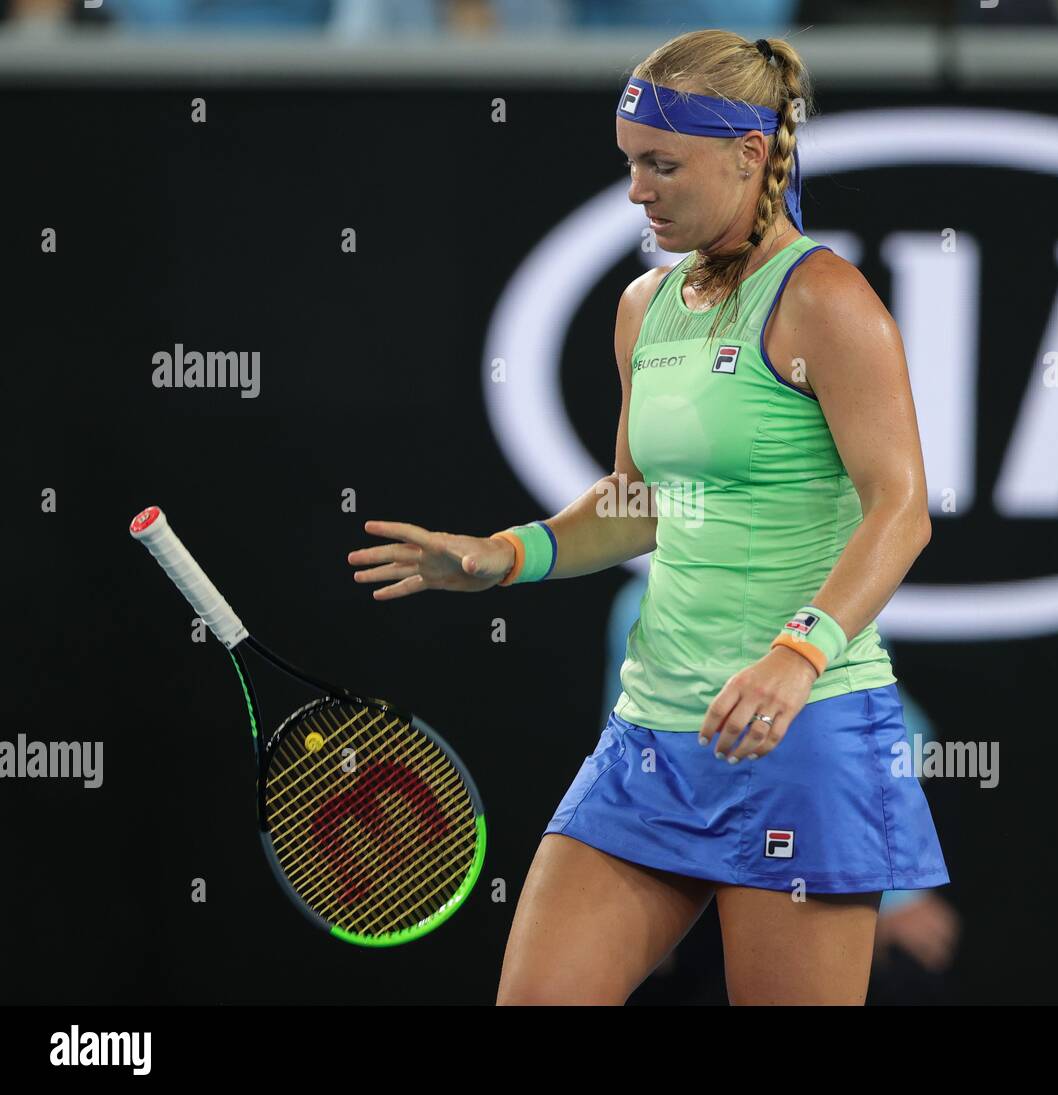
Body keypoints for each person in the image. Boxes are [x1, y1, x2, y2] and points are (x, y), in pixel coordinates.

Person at [347, 28, 949, 1005]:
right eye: (630, 165)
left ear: (749, 156)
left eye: (661, 165)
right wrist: (501, 556)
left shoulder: (827, 300)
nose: (637, 192)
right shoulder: (643, 306)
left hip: (796, 739)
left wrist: (796, 657)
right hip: (649, 743)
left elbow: (902, 510)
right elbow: (637, 508)